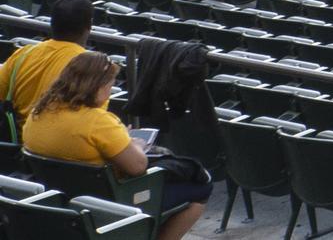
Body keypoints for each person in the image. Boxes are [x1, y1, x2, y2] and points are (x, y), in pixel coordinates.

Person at [23, 51, 208, 240]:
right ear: (97, 86)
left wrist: (117, 136)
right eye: (109, 85)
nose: (110, 91)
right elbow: (137, 166)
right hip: (111, 202)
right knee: (199, 190)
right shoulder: (98, 122)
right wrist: (134, 144)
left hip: (60, 200)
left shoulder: (38, 112)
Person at [1, 0, 92, 115]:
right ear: (89, 26)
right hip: (55, 133)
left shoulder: (23, 53)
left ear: (52, 23)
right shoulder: (91, 67)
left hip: (18, 132)